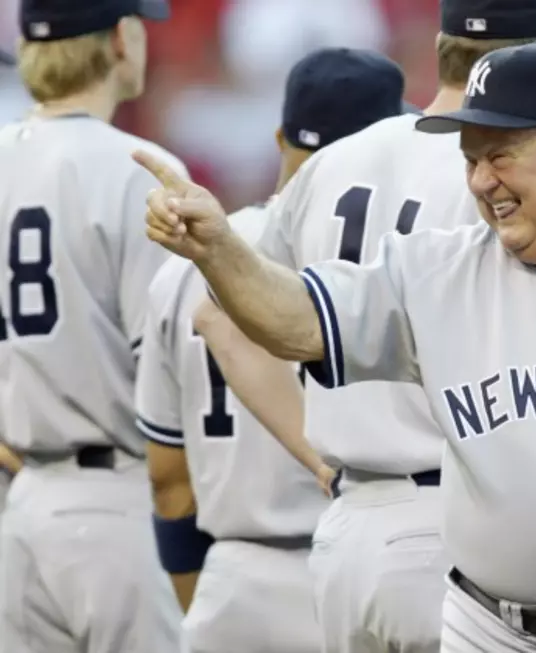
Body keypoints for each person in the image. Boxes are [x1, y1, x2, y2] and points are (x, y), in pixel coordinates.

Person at [138, 40, 536, 653]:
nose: (482, 181)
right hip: (490, 630)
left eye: (501, 155)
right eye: (470, 161)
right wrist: (218, 250)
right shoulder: (433, 269)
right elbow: (294, 322)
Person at [190, 1, 536, 651]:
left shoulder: (337, 159)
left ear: (441, 45)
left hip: (349, 532)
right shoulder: (504, 177)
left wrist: (316, 456)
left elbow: (223, 316)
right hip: (458, 528)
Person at [134, 48, 410, 653]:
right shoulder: (397, 263)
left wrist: (200, 604)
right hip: (355, 562)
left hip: (229, 581)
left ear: (282, 135)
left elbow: (168, 481)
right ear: (385, 143)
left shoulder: (188, 263)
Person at [0, 0, 187, 652]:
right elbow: (170, 375)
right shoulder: (142, 168)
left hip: (22, 505)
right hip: (118, 505)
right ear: (118, 39)